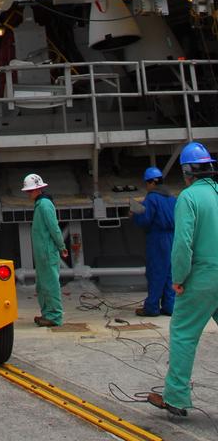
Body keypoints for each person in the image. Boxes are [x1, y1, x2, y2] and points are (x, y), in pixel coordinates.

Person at [148, 142, 218, 420]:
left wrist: (178, 279)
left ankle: (175, 397)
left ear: (187, 172)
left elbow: (183, 245)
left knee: (183, 333)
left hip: (202, 276)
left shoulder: (188, 198)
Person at [22, 172, 68, 328]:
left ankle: (54, 316)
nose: (28, 194)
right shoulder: (41, 205)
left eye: (30, 191)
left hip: (47, 252)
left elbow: (54, 228)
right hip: (43, 253)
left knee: (50, 285)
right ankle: (48, 314)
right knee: (43, 285)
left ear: (37, 189)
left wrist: (61, 246)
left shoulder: (44, 205)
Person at [131, 166, 176, 317]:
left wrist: (134, 213)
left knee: (156, 271)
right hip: (173, 238)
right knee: (170, 273)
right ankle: (170, 306)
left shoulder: (152, 198)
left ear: (151, 183)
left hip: (158, 239)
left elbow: (144, 220)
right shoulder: (172, 197)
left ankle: (151, 307)